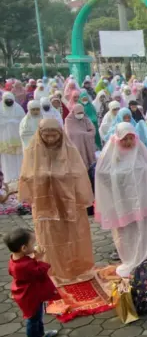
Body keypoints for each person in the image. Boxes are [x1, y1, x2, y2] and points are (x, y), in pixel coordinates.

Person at [19, 119, 95, 282]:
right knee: (50, 237)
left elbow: (79, 173)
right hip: (44, 204)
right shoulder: (32, 151)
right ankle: (53, 270)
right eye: (47, 136)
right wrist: (44, 176)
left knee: (72, 235)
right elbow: (26, 175)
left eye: (54, 135)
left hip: (69, 202)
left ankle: (75, 268)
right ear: (40, 135)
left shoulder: (69, 149)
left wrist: (59, 176)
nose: (51, 139)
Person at [95, 122, 147, 277]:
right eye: (124, 139)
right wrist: (118, 184)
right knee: (126, 232)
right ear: (117, 139)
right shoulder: (112, 153)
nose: (128, 142)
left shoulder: (140, 151)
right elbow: (102, 174)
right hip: (122, 202)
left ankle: (145, 258)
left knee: (144, 229)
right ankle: (130, 259)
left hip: (142, 200)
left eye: (130, 138)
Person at [5, 228, 59, 337]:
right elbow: (39, 272)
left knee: (38, 316)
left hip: (29, 294)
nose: (34, 245)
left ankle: (40, 335)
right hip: (30, 296)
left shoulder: (15, 258)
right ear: (24, 248)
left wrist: (34, 258)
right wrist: (39, 259)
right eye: (33, 243)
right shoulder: (24, 265)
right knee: (33, 319)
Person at [0, 92, 25, 183]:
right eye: (7, 100)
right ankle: (8, 179)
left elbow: (23, 123)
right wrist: (7, 122)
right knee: (6, 159)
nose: (9, 102)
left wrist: (14, 122)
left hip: (17, 139)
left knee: (18, 158)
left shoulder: (18, 109)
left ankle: (19, 178)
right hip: (4, 140)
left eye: (11, 100)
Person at [64, 104, 97, 170]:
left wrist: (83, 134)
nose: (80, 114)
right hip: (76, 145)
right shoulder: (69, 120)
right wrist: (83, 134)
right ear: (74, 112)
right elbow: (69, 133)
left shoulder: (86, 119)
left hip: (86, 145)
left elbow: (92, 130)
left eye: (82, 113)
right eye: (78, 113)